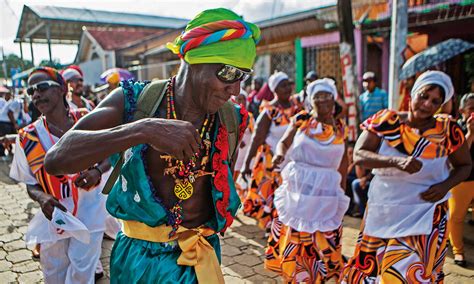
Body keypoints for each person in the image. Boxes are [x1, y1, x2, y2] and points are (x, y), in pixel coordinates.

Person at [43, 8, 259, 283]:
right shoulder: (134, 101)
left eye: (243, 76)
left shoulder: (232, 119)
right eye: (228, 72)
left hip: (200, 258)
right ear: (193, 61)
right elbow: (57, 159)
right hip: (139, 262)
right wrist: (142, 130)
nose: (236, 89)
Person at [341, 71, 472, 283]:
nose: (427, 104)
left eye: (435, 101)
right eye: (424, 96)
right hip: (385, 209)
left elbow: (465, 165)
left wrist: (445, 185)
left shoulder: (448, 131)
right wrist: (396, 161)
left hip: (426, 212)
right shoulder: (386, 121)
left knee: (409, 273)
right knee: (373, 269)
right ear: (412, 94)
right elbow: (359, 154)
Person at [9, 67, 110, 283]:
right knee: (53, 271)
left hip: (91, 209)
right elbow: (30, 183)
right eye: (31, 91)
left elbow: (111, 154)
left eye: (42, 87)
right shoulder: (27, 137)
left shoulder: (86, 119)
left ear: (62, 89)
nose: (36, 94)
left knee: (83, 271)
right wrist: (42, 197)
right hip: (55, 215)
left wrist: (97, 171)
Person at [265, 79, 350, 282]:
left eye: (326, 96)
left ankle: (318, 275)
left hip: (327, 194)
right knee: (298, 239)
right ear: (310, 101)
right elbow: (284, 143)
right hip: (299, 192)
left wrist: (343, 192)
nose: (322, 101)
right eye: (317, 97)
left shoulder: (340, 128)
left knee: (323, 239)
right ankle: (298, 277)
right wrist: (279, 154)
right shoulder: (302, 119)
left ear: (333, 99)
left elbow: (344, 162)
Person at [241, 71, 300, 232]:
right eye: (283, 85)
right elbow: (256, 138)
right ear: (274, 90)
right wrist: (247, 163)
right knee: (274, 197)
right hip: (272, 162)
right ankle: (274, 230)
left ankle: (287, 228)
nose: (287, 88)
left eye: (288, 83)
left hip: (293, 161)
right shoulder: (269, 111)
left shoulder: (297, 108)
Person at [448, 92, 474, 267]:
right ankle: (458, 252)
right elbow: (457, 153)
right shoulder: (456, 128)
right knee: (456, 217)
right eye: (471, 109)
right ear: (462, 111)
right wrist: (471, 133)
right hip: (463, 179)